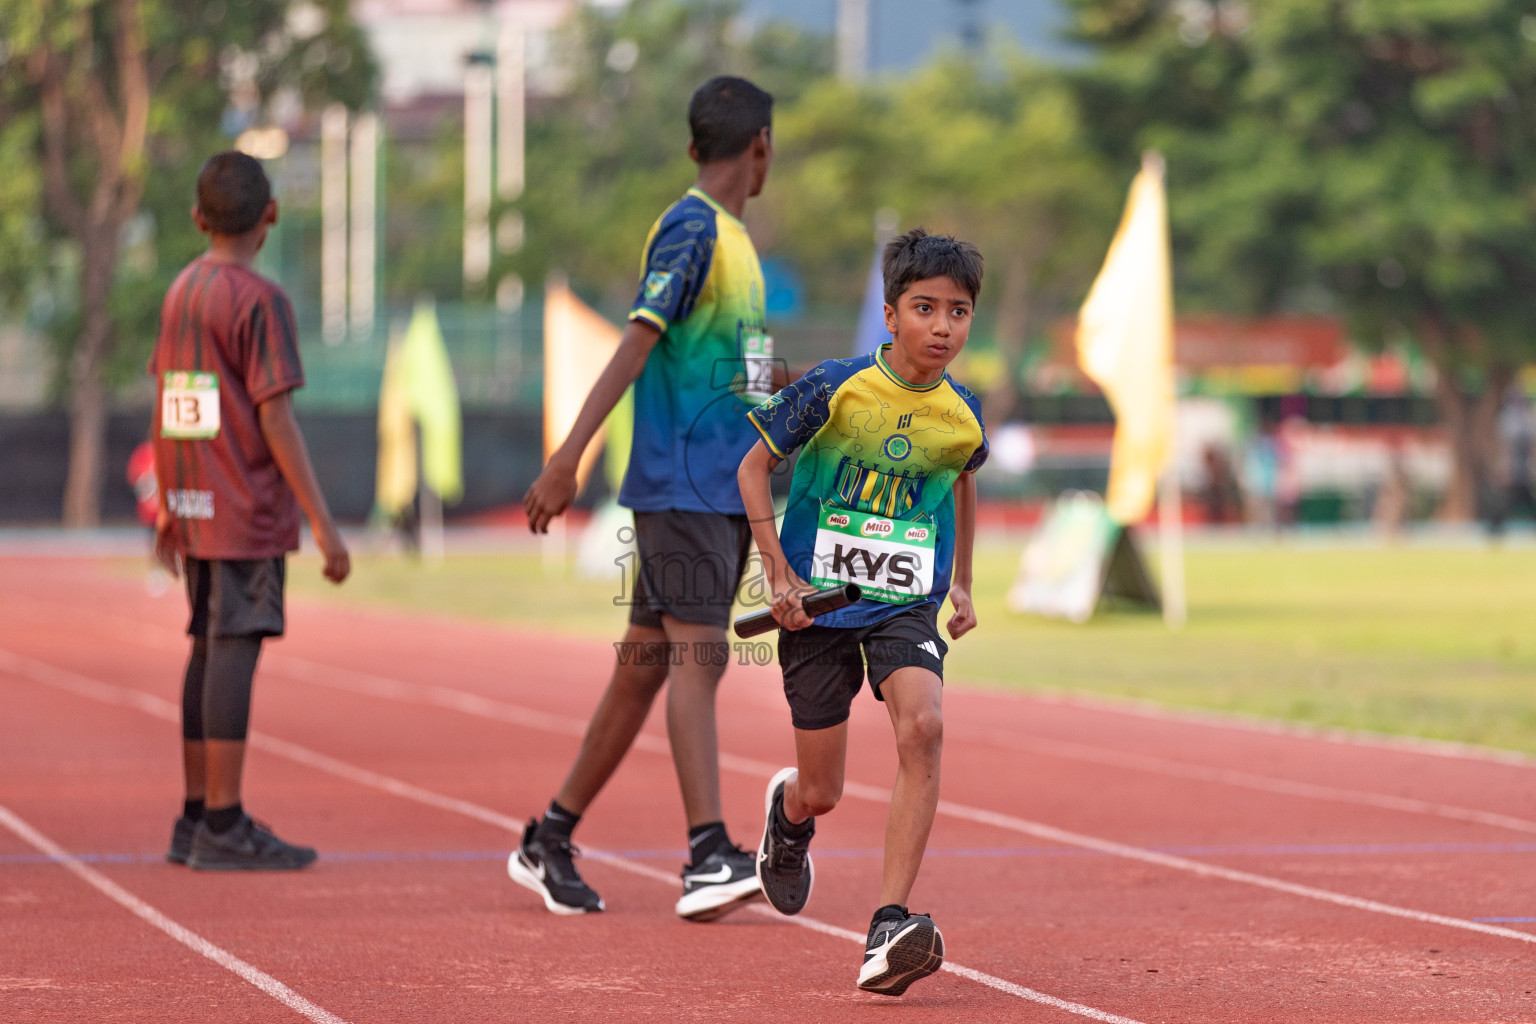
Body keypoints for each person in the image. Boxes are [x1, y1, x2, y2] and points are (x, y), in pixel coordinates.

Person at [511, 76, 778, 921]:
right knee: (698, 660)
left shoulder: (737, 245)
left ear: (699, 146)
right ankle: (706, 855)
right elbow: (637, 342)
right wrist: (568, 456)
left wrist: (831, 396)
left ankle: (547, 839)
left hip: (718, 487)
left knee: (645, 669)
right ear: (761, 149)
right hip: (684, 484)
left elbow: (750, 379)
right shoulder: (693, 229)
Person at [738, 228, 988, 996]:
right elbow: (752, 469)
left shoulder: (964, 414)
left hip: (902, 604)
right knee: (825, 790)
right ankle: (789, 818)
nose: (943, 327)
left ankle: (888, 924)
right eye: (925, 308)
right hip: (815, 608)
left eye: (959, 311)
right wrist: (776, 574)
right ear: (890, 314)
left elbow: (963, 478)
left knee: (926, 726)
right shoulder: (835, 388)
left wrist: (964, 581)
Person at [150, 151, 350, 871]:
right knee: (233, 650)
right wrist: (322, 522)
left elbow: (172, 401)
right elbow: (277, 419)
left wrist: (172, 502)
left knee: (206, 646)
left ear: (199, 219)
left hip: (198, 500)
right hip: (244, 509)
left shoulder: (182, 292)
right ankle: (225, 826)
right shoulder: (260, 302)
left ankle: (196, 816)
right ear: (269, 217)